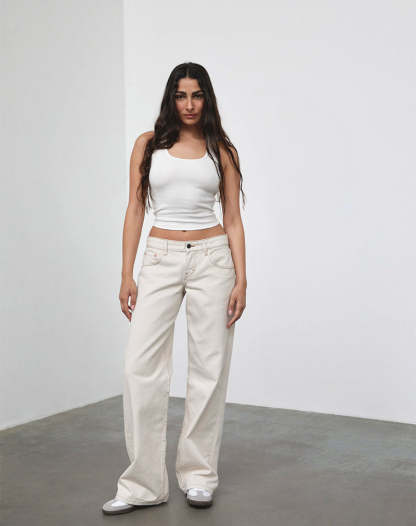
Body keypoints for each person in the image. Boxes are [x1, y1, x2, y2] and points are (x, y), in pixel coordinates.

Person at [102, 62, 247, 515]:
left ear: (207, 99)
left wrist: (242, 278)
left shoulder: (221, 150)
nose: (189, 104)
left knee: (209, 367)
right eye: (181, 95)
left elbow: (233, 219)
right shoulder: (148, 145)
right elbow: (134, 210)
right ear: (171, 98)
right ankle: (143, 484)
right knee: (139, 367)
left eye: (197, 95)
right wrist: (126, 273)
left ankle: (199, 475)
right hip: (160, 258)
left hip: (212, 260)